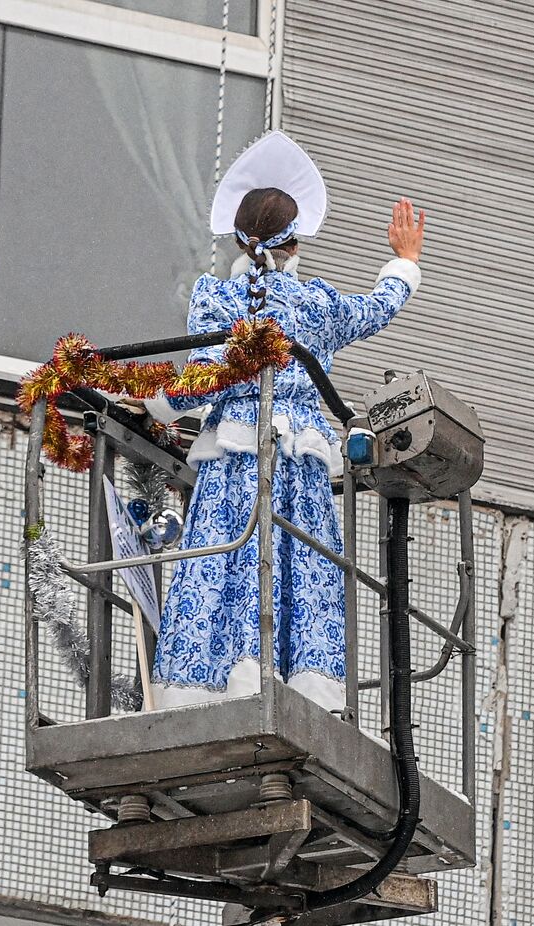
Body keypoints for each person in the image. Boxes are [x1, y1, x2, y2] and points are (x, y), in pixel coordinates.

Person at [136, 131, 425, 713]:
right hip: (300, 458)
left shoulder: (214, 298)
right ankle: (304, 688)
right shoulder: (316, 303)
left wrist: (153, 402)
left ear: (241, 240)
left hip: (232, 459)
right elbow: (377, 309)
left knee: (223, 557)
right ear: (295, 244)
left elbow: (202, 375)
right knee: (303, 565)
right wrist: (404, 260)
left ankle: (203, 684)